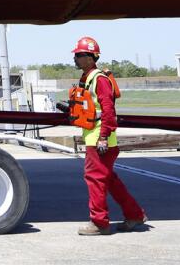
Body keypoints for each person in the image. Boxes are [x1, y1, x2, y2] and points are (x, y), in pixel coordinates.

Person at [69, 36, 147, 235]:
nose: (76, 58)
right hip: (94, 137)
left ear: (90, 57)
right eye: (76, 55)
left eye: (79, 55)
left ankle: (99, 223)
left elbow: (108, 112)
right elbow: (89, 108)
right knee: (109, 180)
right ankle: (134, 214)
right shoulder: (87, 79)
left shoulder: (100, 79)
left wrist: (103, 137)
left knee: (94, 179)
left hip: (99, 139)